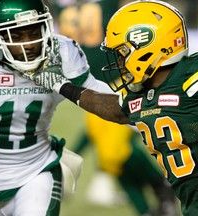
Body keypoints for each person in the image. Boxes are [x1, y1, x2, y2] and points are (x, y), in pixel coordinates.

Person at [23, 0, 198, 215]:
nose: (118, 61)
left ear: (147, 48)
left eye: (122, 53)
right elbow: (113, 109)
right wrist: (62, 85)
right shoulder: (142, 94)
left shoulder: (195, 78)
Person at [0, 0, 113, 215]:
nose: (28, 44)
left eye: (33, 32)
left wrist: (63, 86)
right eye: (15, 35)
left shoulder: (61, 53)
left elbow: (111, 104)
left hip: (37, 172)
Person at [58, 1, 179, 215]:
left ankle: (160, 187)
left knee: (113, 152)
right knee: (108, 149)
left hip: (118, 75)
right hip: (90, 80)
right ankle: (151, 204)